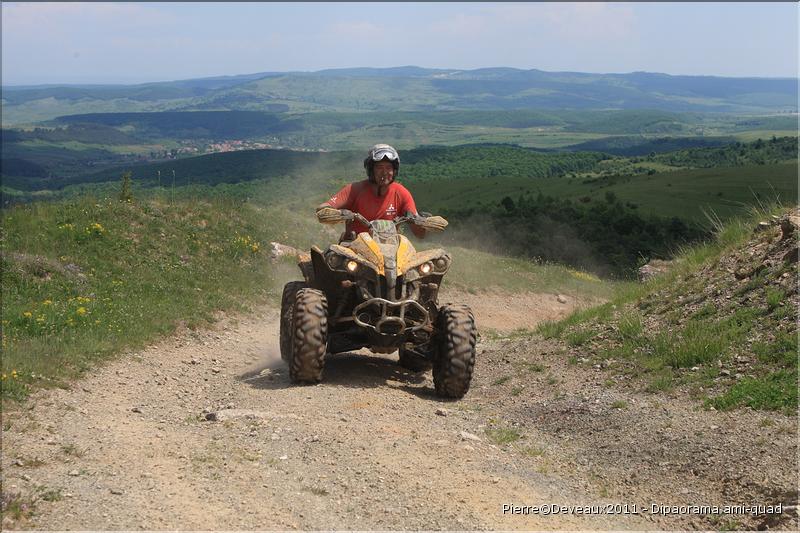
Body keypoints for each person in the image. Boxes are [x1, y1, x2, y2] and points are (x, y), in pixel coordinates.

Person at [316, 143, 427, 241]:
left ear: (394, 171)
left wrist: (421, 222)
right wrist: (336, 213)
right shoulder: (355, 189)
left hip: (390, 248)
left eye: (389, 168)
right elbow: (324, 207)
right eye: (379, 167)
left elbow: (420, 234)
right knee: (331, 259)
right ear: (371, 169)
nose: (384, 172)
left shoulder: (401, 193)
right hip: (355, 247)